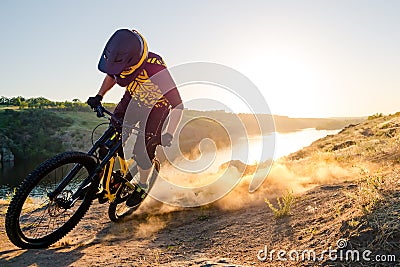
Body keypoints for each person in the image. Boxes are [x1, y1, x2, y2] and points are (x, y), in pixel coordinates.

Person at [87, 29, 183, 207]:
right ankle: (101, 183)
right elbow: (112, 75)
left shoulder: (156, 69)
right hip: (132, 100)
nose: (120, 74)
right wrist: (99, 96)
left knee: (142, 151)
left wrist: (168, 133)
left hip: (156, 108)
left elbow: (178, 105)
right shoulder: (122, 60)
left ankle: (143, 185)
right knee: (108, 141)